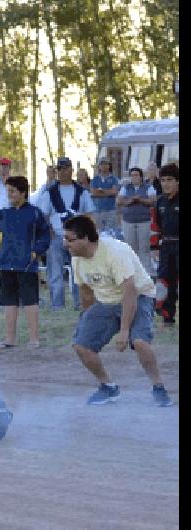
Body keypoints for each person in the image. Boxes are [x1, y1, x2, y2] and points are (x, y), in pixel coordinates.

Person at [63, 215, 173, 407]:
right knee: (81, 345)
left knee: (139, 342)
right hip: (106, 302)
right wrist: (88, 319)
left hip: (139, 296)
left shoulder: (114, 252)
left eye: (70, 239)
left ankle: (158, 387)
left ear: (86, 239)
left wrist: (124, 331)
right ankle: (108, 387)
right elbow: (86, 293)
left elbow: (129, 292)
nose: (66, 244)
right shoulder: (77, 259)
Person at [0, 176, 51, 349]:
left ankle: (34, 338)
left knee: (30, 301)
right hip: (6, 264)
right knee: (9, 302)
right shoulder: (3, 214)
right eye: (8, 191)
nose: (9, 194)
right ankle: (10, 339)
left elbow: (45, 236)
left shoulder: (35, 213)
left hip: (27, 265)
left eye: (13, 191)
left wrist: (35, 252)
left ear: (23, 193)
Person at [35, 157, 95, 311]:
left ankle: (80, 303)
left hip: (78, 238)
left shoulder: (81, 192)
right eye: (59, 169)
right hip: (57, 236)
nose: (62, 172)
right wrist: (48, 233)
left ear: (71, 169)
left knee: (79, 272)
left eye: (65, 168)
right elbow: (43, 216)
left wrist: (88, 235)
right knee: (55, 272)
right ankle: (57, 304)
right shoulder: (50, 192)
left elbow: (89, 214)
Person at [149, 163, 179, 325]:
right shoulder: (159, 202)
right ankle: (167, 316)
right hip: (166, 247)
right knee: (164, 282)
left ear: (177, 181)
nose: (166, 183)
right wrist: (154, 247)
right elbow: (154, 227)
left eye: (170, 180)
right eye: (163, 180)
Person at [117, 167, 157, 277]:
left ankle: (147, 273)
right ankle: (132, 272)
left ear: (141, 176)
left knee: (144, 247)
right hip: (128, 221)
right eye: (132, 175)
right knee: (131, 247)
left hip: (144, 221)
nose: (134, 177)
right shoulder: (125, 187)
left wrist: (140, 200)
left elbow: (153, 201)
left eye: (136, 175)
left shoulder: (148, 187)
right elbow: (119, 201)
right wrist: (130, 201)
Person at [90, 157, 121, 233]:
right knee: (98, 234)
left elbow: (114, 192)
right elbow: (93, 193)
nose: (104, 166)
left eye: (106, 164)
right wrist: (108, 192)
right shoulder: (95, 179)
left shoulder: (114, 179)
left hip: (110, 210)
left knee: (111, 233)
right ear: (99, 166)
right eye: (102, 164)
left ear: (109, 166)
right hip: (97, 211)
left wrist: (101, 191)